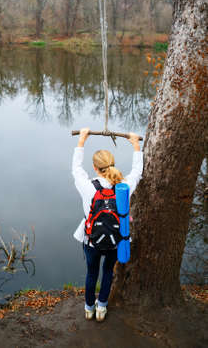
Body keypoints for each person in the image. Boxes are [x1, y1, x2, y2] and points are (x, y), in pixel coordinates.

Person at [72, 127, 143, 322]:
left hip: (91, 242)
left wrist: (82, 141)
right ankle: (102, 307)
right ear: (113, 165)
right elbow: (137, 172)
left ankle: (89, 309)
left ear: (95, 168)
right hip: (115, 241)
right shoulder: (124, 187)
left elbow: (76, 169)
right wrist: (136, 145)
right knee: (107, 273)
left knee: (91, 273)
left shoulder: (88, 187)